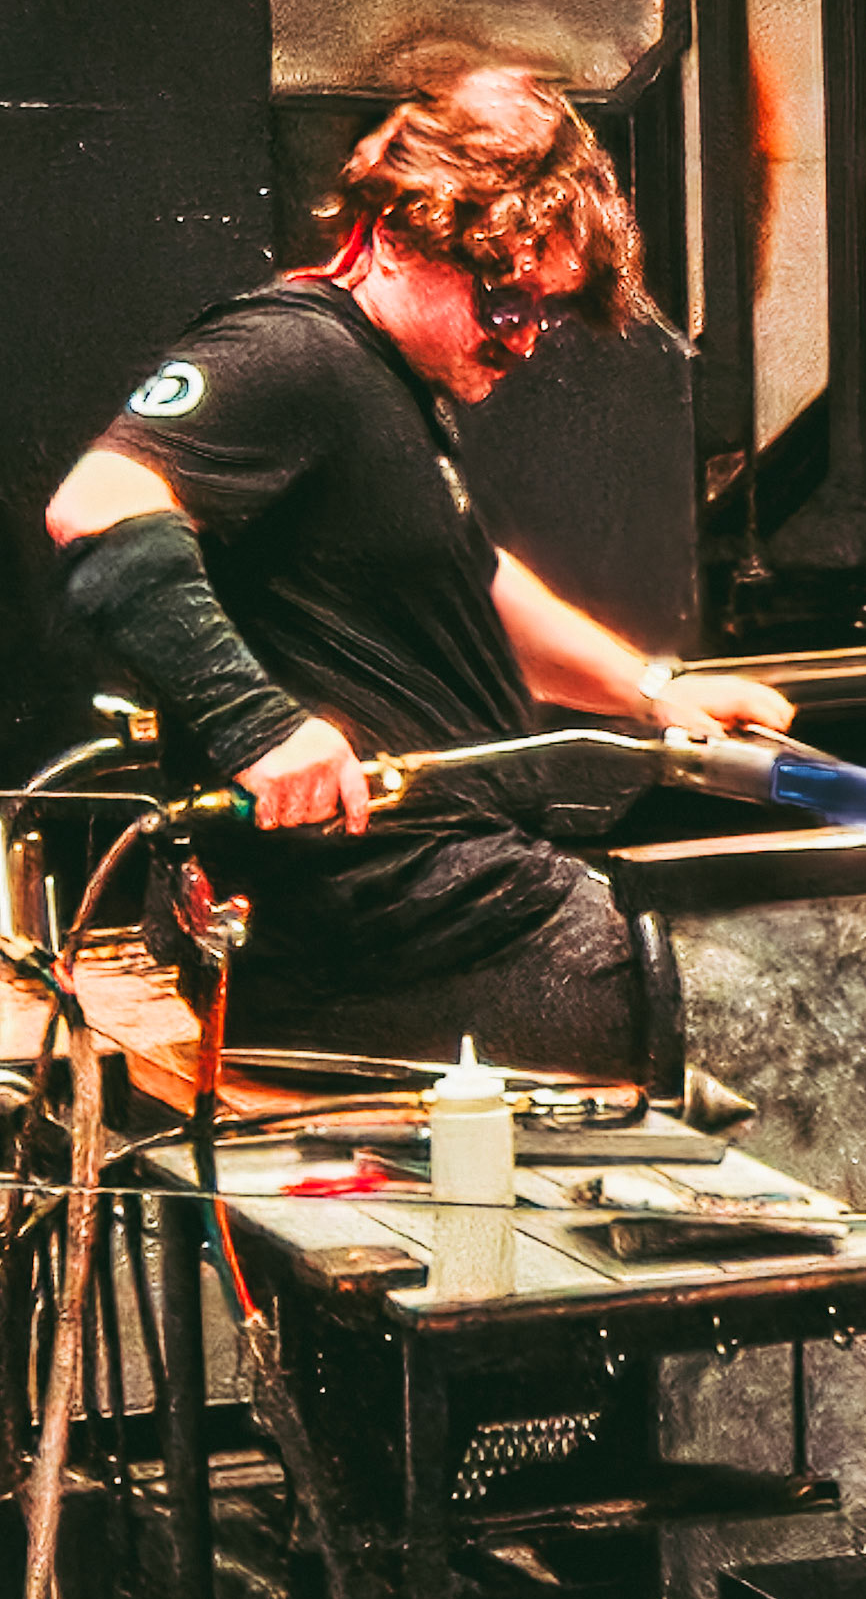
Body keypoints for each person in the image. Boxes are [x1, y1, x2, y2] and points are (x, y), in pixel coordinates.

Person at [45, 58, 792, 1079]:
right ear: (399, 237)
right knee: (781, 1007)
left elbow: (475, 584)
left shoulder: (390, 386)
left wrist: (655, 692)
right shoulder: (288, 351)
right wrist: (257, 726)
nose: (524, 341)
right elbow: (95, 507)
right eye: (506, 300)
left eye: (544, 314)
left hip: (461, 903)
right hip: (372, 942)